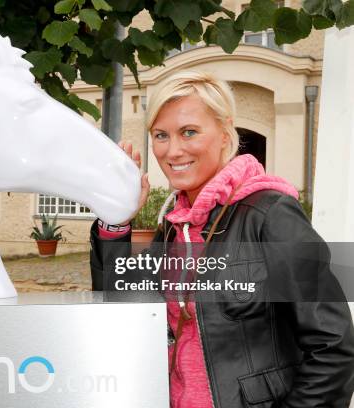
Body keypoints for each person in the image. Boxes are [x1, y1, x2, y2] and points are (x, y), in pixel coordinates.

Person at [89, 70, 354, 407]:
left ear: (225, 133)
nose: (173, 151)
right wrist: (116, 219)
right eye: (160, 135)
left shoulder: (270, 216)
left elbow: (333, 347)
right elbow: (121, 308)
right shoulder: (175, 227)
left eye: (189, 132)